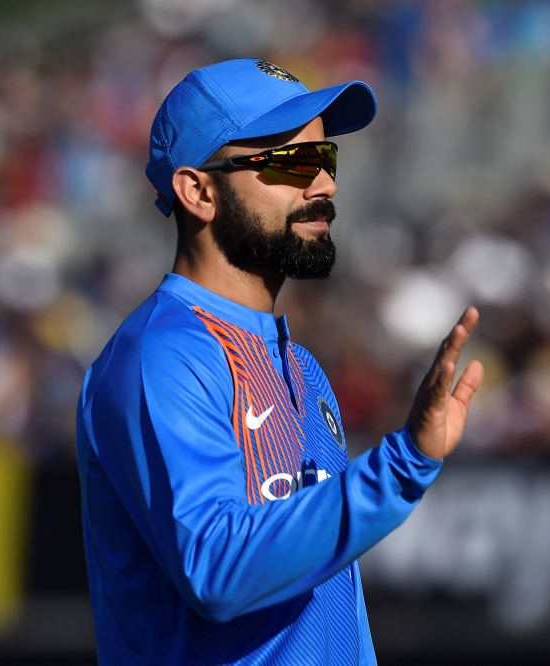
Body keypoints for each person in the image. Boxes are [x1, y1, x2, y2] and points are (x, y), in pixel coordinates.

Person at [75, 58, 484, 665]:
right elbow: (217, 570)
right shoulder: (161, 357)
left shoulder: (301, 365)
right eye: (290, 162)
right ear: (199, 191)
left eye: (325, 160)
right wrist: (402, 466)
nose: (324, 185)